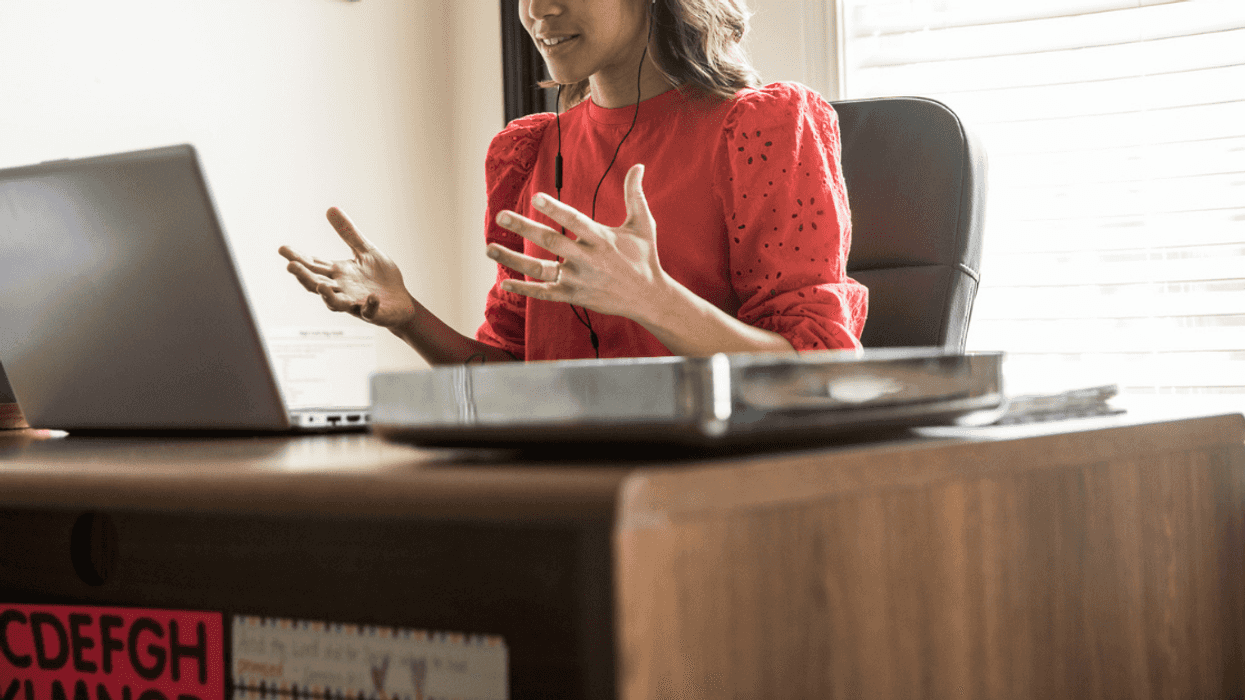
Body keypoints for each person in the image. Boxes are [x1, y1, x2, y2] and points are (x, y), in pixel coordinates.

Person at [280, 0, 867, 364]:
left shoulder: (763, 129)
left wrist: (653, 299)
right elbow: (517, 377)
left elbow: (817, 371)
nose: (537, 9)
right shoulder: (529, 152)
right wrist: (410, 316)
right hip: (564, 481)